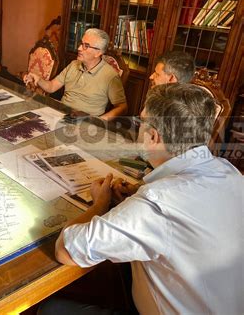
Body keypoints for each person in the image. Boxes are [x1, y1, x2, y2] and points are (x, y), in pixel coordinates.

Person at [47, 83, 243, 314]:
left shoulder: (157, 204)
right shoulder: (230, 172)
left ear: (153, 136)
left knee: (52, 309)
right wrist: (135, 197)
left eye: (142, 122)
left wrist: (100, 203)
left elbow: (66, 250)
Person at [23, 28, 127, 120]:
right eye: (81, 43)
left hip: (85, 123)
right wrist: (38, 79)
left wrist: (101, 121)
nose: (79, 48)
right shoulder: (73, 65)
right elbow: (52, 87)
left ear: (98, 53)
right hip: (62, 115)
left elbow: (122, 107)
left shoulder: (110, 75)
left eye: (86, 46)